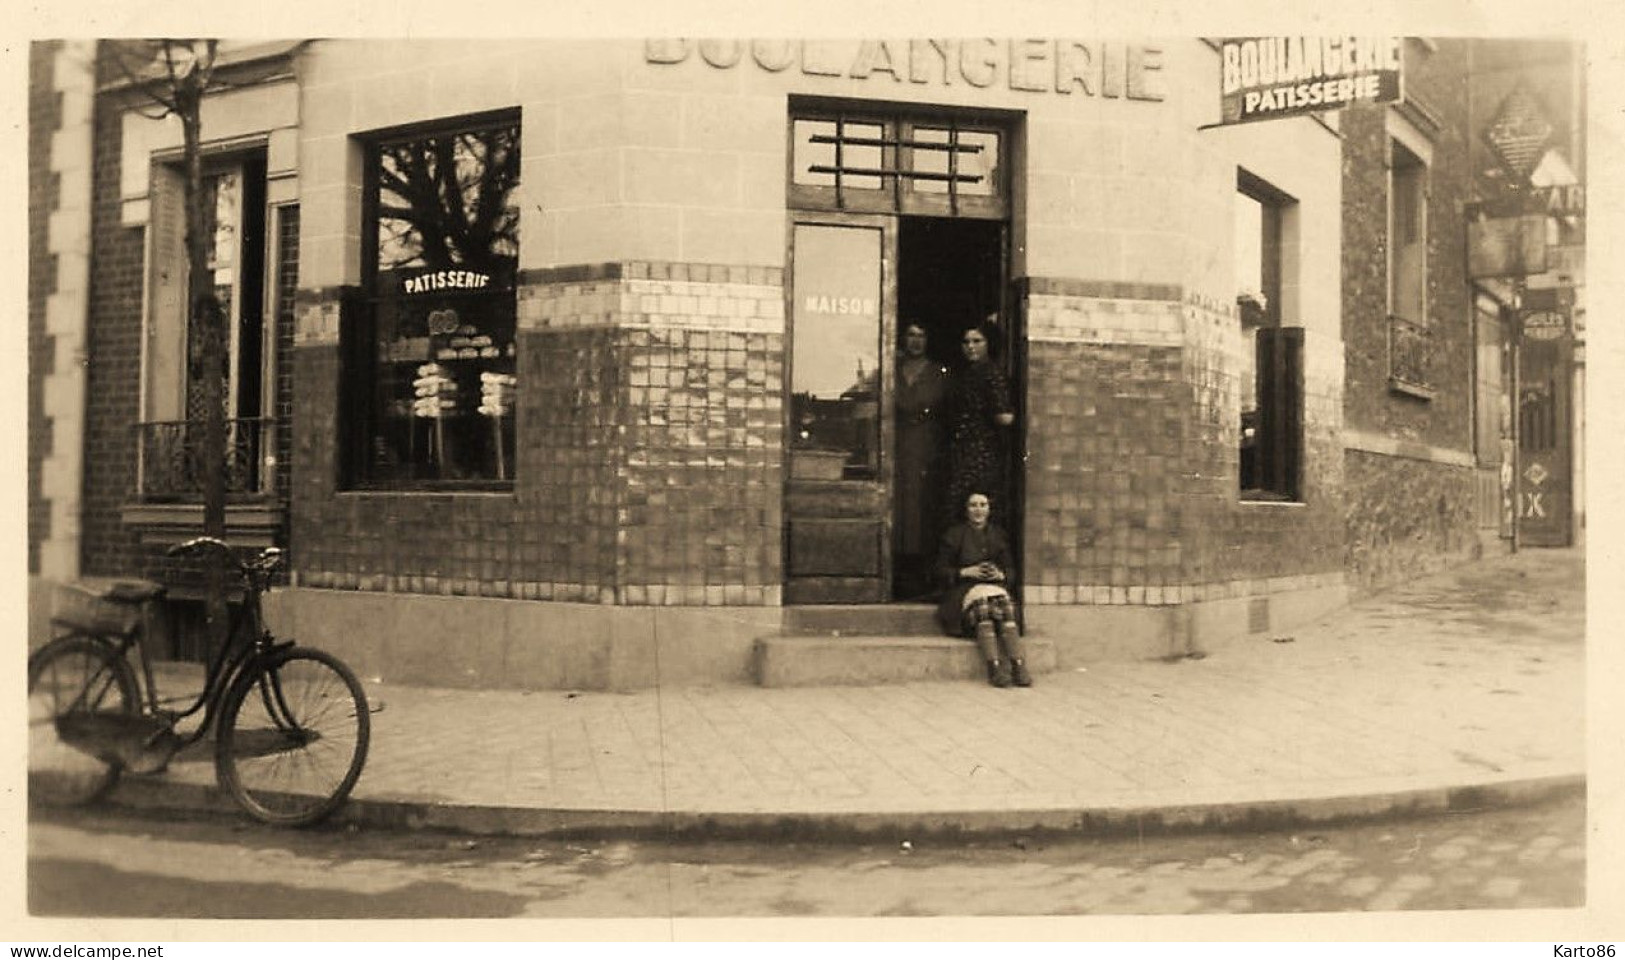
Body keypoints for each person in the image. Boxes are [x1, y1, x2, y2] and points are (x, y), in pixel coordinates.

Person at [935, 491, 1032, 688]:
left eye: (983, 505)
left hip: (994, 588)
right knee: (983, 608)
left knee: (1004, 606)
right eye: (973, 505)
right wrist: (965, 572)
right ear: (966, 510)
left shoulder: (999, 535)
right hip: (964, 590)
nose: (978, 510)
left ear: (989, 509)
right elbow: (939, 571)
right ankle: (994, 667)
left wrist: (1001, 575)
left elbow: (1011, 570)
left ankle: (1018, 665)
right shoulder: (954, 536)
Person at [894, 322, 950, 599]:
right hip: (896, 446)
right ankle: (896, 568)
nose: (916, 341)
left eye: (921, 335)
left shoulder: (937, 372)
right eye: (911, 334)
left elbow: (936, 403)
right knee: (899, 505)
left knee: (920, 507)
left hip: (925, 446)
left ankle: (920, 573)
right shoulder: (892, 369)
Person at [944, 320, 1015, 530]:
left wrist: (981, 413)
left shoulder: (992, 373)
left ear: (989, 343)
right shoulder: (967, 373)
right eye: (966, 342)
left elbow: (1006, 417)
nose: (971, 346)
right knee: (961, 509)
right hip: (963, 451)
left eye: (977, 341)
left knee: (976, 508)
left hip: (981, 454)